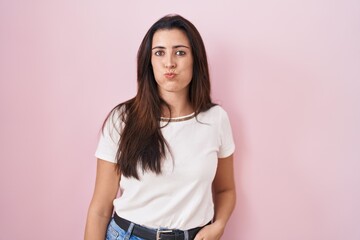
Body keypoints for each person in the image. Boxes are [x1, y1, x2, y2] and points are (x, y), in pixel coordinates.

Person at [84, 14, 236, 240]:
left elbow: (226, 190)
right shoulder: (122, 119)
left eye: (180, 52)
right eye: (159, 52)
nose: (169, 62)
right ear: (149, 61)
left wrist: (219, 224)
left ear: (196, 59)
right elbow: (100, 209)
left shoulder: (216, 119)